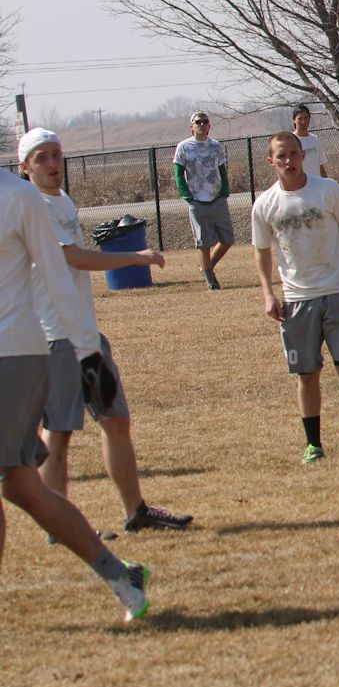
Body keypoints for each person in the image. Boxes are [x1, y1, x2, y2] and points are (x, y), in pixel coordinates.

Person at [19, 129, 192, 535]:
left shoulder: (62, 200)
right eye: (42, 158)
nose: (52, 164)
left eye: (56, 155)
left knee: (115, 421)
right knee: (58, 434)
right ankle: (59, 528)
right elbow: (74, 258)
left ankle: (137, 512)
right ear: (25, 167)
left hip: (85, 334)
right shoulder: (33, 206)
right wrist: (135, 257)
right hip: (55, 339)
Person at [0, 166, 150, 621]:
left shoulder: (19, 197)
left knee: (17, 484)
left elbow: (57, 275)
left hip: (14, 353)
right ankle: (121, 576)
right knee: (21, 486)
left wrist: (88, 354)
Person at [251, 132, 339, 464]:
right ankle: (313, 444)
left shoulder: (328, 190)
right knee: (306, 375)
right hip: (296, 300)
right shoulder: (265, 205)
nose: (289, 161)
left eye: (294, 153)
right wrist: (268, 292)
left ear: (303, 155)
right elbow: (261, 251)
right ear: (271, 161)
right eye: (282, 156)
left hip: (338, 293)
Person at [173, 110, 234, 290]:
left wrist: (224, 192)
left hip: (217, 199)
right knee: (203, 242)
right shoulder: (184, 147)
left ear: (209, 126)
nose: (202, 124)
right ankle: (210, 281)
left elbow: (222, 170)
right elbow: (178, 174)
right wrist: (188, 197)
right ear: (191, 127)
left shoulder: (215, 145)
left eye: (205, 121)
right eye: (198, 122)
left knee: (228, 239)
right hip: (197, 200)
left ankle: (208, 267)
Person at [291, 103, 329, 179]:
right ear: (294, 120)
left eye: (306, 118)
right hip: (300, 184)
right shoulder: (290, 141)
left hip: (316, 183)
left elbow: (320, 165)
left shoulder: (315, 139)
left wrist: (326, 183)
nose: (303, 121)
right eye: (300, 118)